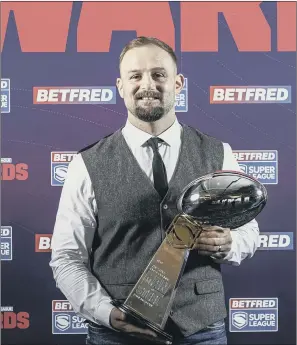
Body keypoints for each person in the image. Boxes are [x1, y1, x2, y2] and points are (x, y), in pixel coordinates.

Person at [50, 36, 259, 345]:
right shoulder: (86, 164)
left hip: (202, 329)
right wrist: (106, 312)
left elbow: (249, 232)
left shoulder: (219, 153)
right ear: (121, 86)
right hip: (117, 331)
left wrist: (229, 243)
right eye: (135, 75)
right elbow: (67, 256)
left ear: (178, 83)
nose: (147, 84)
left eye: (159, 74)